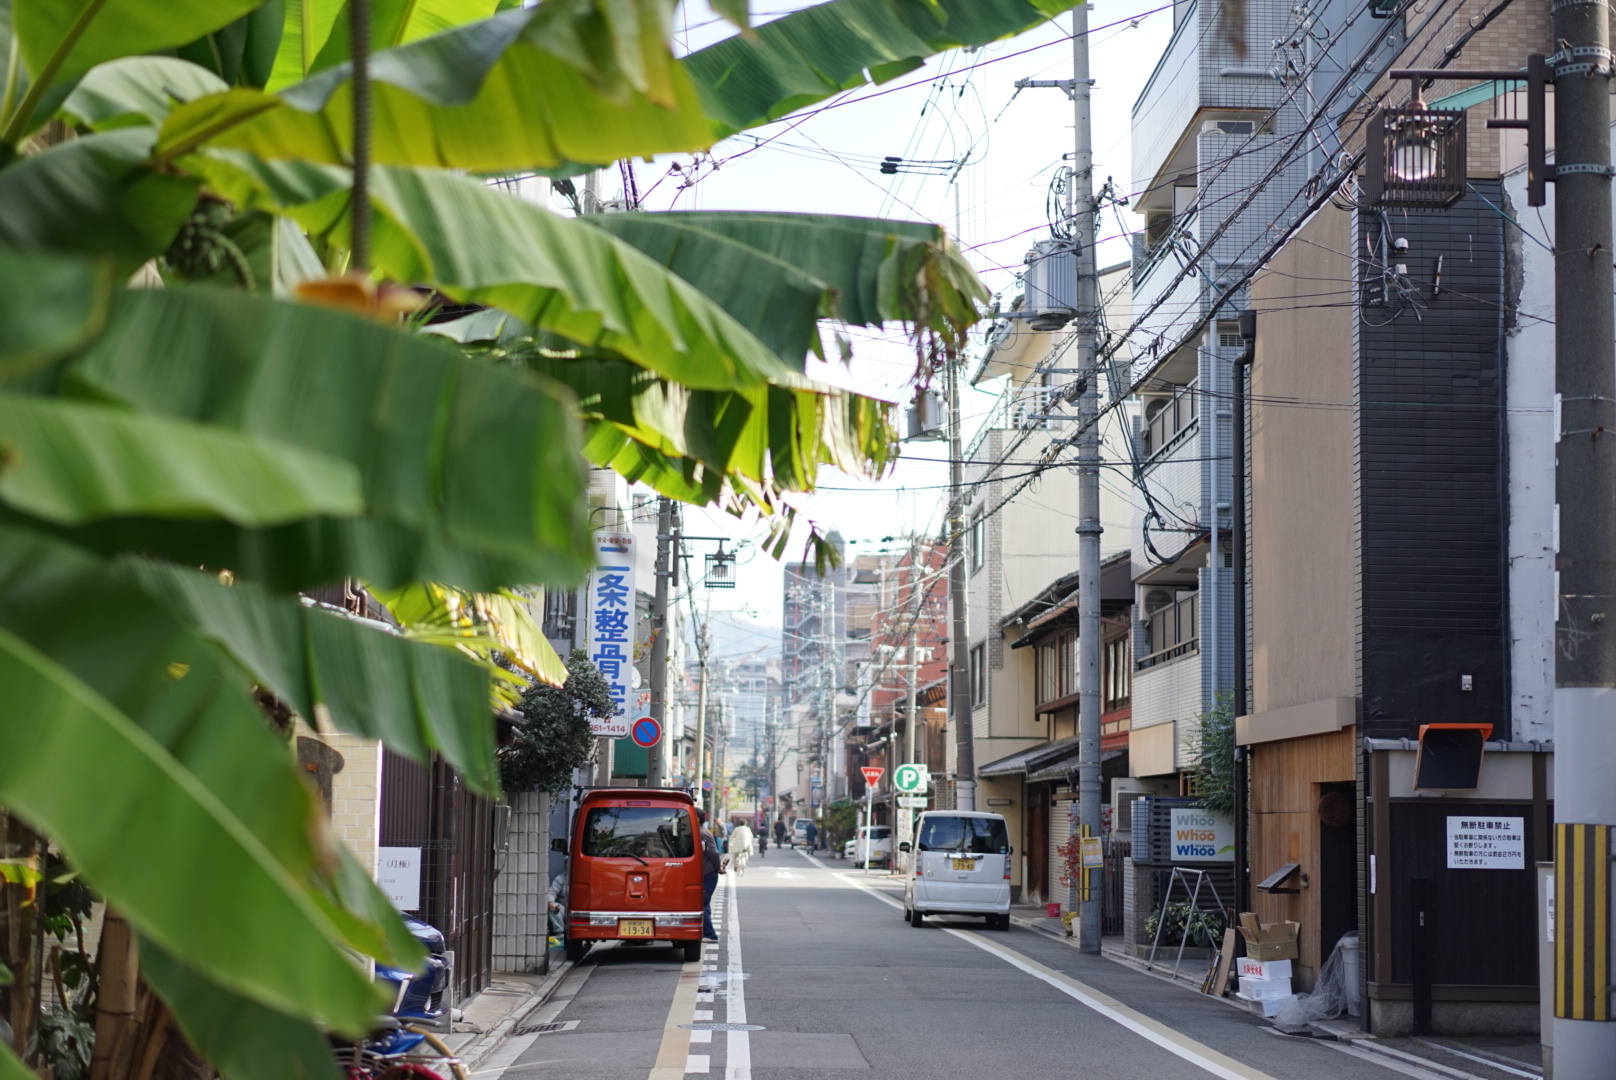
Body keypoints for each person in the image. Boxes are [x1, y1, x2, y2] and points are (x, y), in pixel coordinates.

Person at [697, 807, 724, 942]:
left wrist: (718, 868)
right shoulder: (699, 831)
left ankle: (710, 934)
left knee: (701, 904)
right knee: (704, 904)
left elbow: (713, 853)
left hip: (709, 874)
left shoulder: (702, 833)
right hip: (706, 874)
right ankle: (706, 932)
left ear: (697, 818)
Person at [546, 869, 568, 948]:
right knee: (552, 906)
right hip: (564, 908)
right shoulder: (560, 878)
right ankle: (560, 933)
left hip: (579, 909)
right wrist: (550, 902)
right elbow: (552, 892)